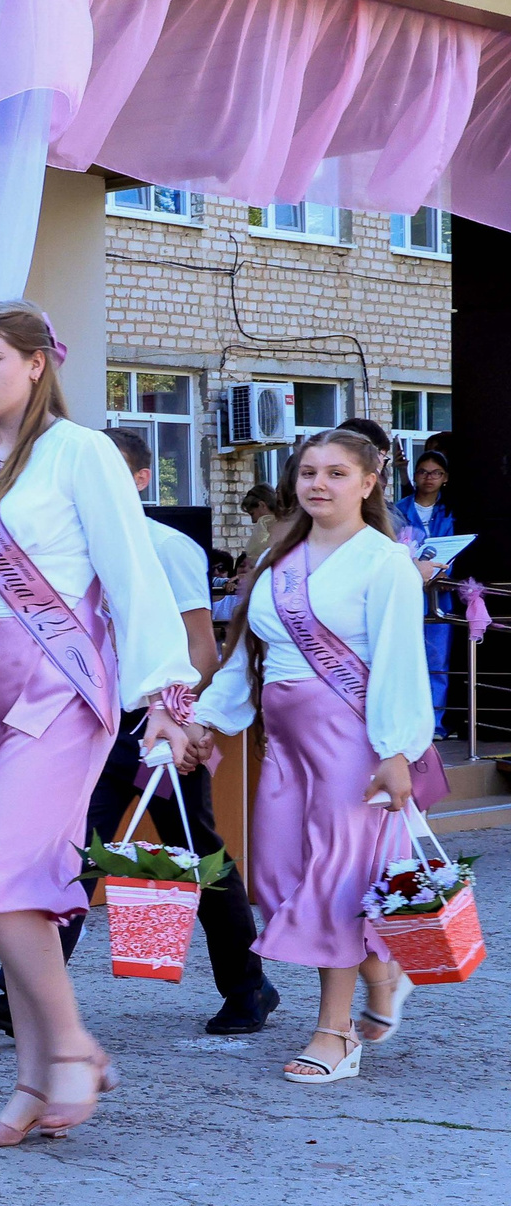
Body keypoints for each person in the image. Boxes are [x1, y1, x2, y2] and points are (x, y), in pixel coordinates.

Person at [0, 300, 198, 1147]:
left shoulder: (80, 452)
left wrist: (163, 698)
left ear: (38, 363)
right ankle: (34, 1082)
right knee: (16, 893)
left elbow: (131, 573)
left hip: (57, 684)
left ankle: (73, 1043)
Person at [0, 427, 278, 1039]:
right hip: (89, 715)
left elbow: (199, 645)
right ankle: (19, 991)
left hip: (153, 726)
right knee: (75, 849)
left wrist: (181, 715)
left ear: (139, 480)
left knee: (197, 853)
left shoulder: (169, 547)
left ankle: (248, 985)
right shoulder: (64, 543)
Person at [187, 429, 430, 1084]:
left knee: (332, 881)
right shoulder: (279, 558)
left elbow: (401, 664)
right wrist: (206, 718)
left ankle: (335, 1032)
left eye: (337, 473)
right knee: (276, 876)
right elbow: (246, 654)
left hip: (355, 742)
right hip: (286, 743)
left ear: (370, 482)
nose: (319, 483)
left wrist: (397, 751)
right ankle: (381, 968)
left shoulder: (383, 562)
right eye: (309, 472)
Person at [395, 448, 455, 740]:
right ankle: (407, 723)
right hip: (406, 590)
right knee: (405, 656)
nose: (428, 478)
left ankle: (435, 725)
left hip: (440, 592)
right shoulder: (399, 509)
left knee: (437, 659)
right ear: (414, 475)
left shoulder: (452, 509)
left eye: (436, 473)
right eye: (423, 472)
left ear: (445, 478)